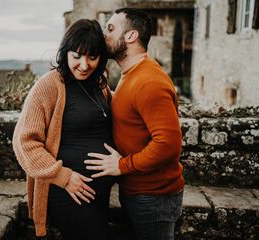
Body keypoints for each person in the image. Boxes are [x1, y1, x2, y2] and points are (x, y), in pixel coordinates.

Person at [84, 8, 184, 240]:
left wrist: (122, 166)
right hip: (139, 193)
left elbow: (169, 144)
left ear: (131, 36)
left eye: (110, 28)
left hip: (154, 198)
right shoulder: (132, 74)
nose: (103, 35)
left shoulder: (149, 81)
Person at [12, 19, 115, 240]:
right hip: (68, 192)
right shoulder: (50, 85)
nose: (84, 65)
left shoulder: (99, 84)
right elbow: (24, 142)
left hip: (97, 193)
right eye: (76, 56)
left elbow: (123, 111)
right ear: (65, 53)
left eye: (92, 57)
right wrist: (63, 177)